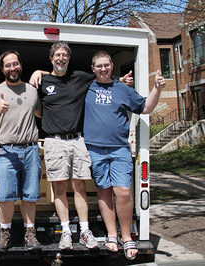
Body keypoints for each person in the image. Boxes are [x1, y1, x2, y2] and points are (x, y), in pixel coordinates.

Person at [28, 42, 133, 250]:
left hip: (78, 140)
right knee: (59, 187)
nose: (61, 58)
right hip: (54, 141)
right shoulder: (42, 81)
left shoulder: (80, 77)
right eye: (57, 55)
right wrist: (36, 72)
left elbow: (103, 79)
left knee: (79, 186)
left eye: (64, 55)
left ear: (69, 58)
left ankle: (85, 231)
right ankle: (65, 231)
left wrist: (120, 81)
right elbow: (36, 110)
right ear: (51, 59)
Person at [84, 50, 165, 260]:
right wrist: (38, 71)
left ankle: (126, 236)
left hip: (119, 148)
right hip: (94, 148)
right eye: (98, 66)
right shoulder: (86, 87)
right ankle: (112, 235)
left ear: (111, 65)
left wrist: (157, 89)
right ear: (93, 68)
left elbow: (145, 107)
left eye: (106, 65)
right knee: (104, 192)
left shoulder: (123, 89)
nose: (103, 69)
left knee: (123, 192)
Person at [0, 50, 42, 252]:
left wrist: (41, 71)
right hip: (7, 151)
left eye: (15, 64)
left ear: (20, 66)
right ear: (2, 69)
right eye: (8, 65)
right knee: (6, 195)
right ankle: (4, 234)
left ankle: (30, 234)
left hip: (31, 149)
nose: (12, 68)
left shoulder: (32, 90)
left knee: (30, 195)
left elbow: (40, 112)